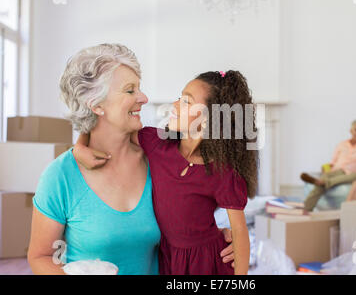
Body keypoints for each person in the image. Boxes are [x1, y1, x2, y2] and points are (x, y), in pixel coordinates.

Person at [27, 44, 234, 275]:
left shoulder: (159, 156)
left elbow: (194, 206)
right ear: (96, 105)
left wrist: (220, 235)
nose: (144, 98)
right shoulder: (60, 176)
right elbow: (40, 256)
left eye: (139, 88)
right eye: (129, 90)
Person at [75, 70, 257, 275]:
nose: (175, 105)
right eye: (180, 98)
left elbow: (240, 232)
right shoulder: (157, 144)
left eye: (187, 102)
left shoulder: (223, 173)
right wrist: (79, 146)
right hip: (165, 257)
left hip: (206, 262)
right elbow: (110, 123)